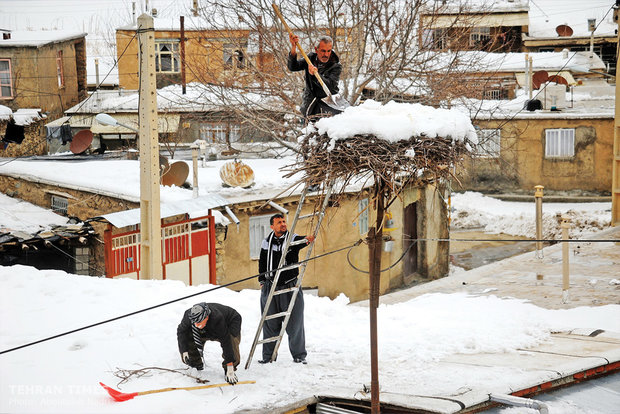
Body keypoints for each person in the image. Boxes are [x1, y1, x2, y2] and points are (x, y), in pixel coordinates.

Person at [258, 213, 314, 364]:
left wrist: (308, 239)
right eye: (279, 222)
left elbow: (304, 240)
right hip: (270, 287)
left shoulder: (292, 239)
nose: (283, 224)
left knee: (295, 323)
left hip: (290, 286)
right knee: (270, 324)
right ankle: (268, 357)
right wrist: (262, 281)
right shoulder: (266, 242)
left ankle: (299, 356)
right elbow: (262, 262)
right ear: (272, 226)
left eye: (284, 221)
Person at [177, 302, 242, 384]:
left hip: (230, 321)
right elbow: (181, 332)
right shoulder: (188, 316)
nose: (197, 325)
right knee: (190, 334)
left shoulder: (217, 318)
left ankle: (230, 368)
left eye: (199, 322)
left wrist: (230, 366)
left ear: (206, 317)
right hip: (208, 327)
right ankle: (195, 363)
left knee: (231, 340)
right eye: (195, 323)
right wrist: (184, 350)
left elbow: (226, 342)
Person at [287, 33, 342, 120]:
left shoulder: (335, 65)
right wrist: (294, 48)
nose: (326, 54)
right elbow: (293, 67)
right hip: (309, 105)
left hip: (327, 108)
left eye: (329, 51)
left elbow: (330, 86)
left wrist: (315, 75)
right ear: (316, 50)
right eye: (323, 51)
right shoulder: (310, 59)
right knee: (307, 132)